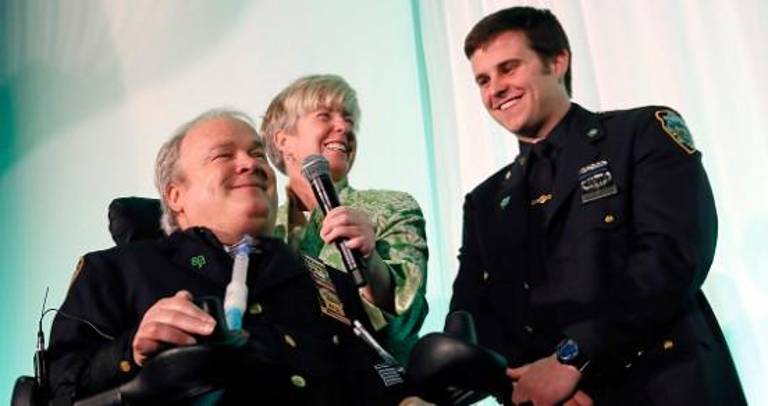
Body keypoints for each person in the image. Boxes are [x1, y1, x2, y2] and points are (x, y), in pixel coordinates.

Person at [449, 6, 746, 405]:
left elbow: (672, 257)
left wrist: (571, 360)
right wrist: (525, 385)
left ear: (557, 61)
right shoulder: (483, 202)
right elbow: (473, 318)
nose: (495, 88)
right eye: (483, 79)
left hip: (661, 385)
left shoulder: (641, 134)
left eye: (509, 68)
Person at [46, 109, 402, 404]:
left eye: (258, 153)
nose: (251, 163)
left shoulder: (325, 279)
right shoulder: (117, 271)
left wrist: (407, 398)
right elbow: (58, 388)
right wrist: (130, 354)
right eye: (223, 155)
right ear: (175, 195)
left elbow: (378, 373)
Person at [260, 74, 428, 363]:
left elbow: (405, 324)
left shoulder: (391, 207)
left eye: (348, 119)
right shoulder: (263, 231)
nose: (343, 127)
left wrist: (370, 259)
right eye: (324, 115)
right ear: (283, 140)